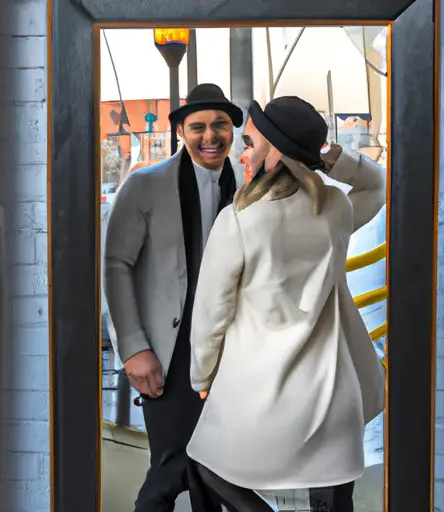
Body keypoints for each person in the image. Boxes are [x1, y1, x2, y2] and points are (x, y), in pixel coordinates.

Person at [186, 96, 386, 512]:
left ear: (274, 152)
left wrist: (201, 378)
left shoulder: (239, 221)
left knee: (205, 465)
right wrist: (328, 156)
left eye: (250, 143)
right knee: (331, 495)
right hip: (332, 393)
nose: (242, 154)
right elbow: (378, 183)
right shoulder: (334, 210)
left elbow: (210, 316)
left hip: (259, 392)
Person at [104, 83, 243, 512]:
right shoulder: (144, 185)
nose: (211, 135)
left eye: (220, 124)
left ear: (232, 131)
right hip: (169, 351)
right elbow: (115, 265)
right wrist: (133, 348)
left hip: (230, 350)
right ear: (182, 130)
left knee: (219, 471)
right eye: (198, 126)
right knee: (171, 465)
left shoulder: (246, 186)